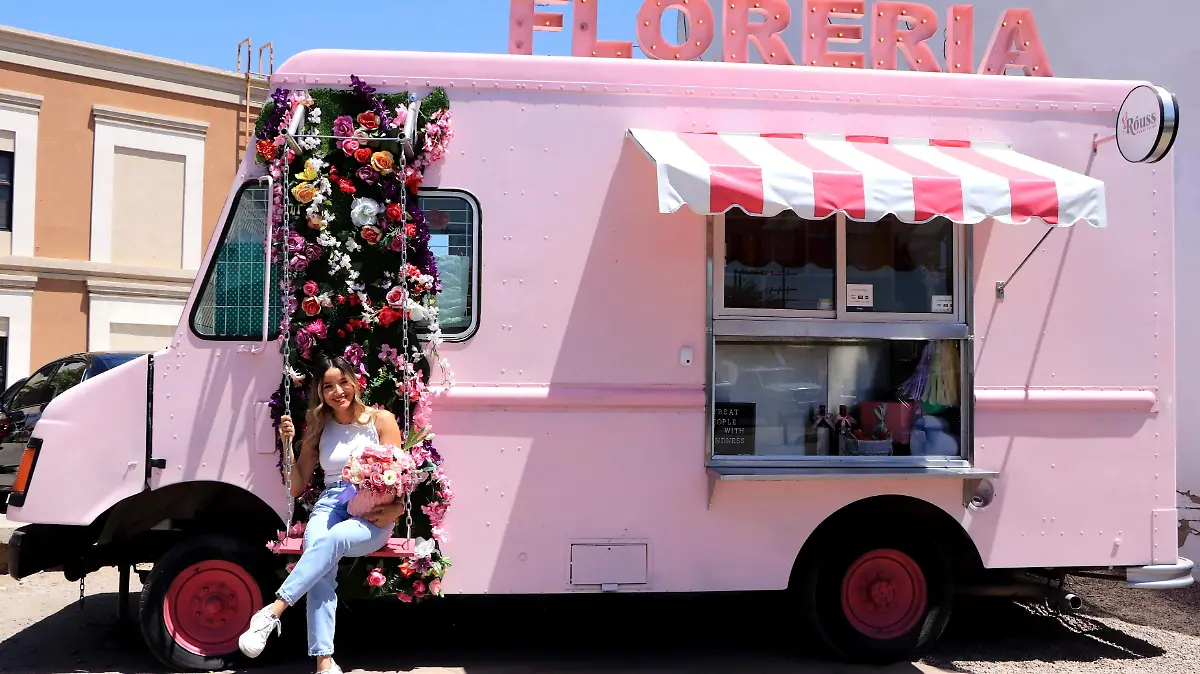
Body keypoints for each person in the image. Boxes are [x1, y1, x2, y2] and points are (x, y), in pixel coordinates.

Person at [237, 355, 408, 674]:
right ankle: (324, 663)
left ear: (355, 382)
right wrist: (287, 444)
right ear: (320, 392)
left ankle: (273, 611)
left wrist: (396, 509)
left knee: (332, 541)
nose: (337, 391)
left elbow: (397, 475)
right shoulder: (319, 425)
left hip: (372, 509)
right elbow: (297, 485)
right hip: (330, 503)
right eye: (328, 386)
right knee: (321, 559)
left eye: (342, 382)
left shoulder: (381, 420)